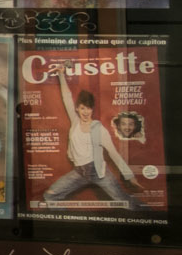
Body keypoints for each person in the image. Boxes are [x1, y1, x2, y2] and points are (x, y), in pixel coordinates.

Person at [41, 64, 145, 210]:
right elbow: (66, 97)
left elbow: (113, 153)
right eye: (82, 108)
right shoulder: (75, 121)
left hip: (98, 172)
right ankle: (66, 223)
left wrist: (129, 176)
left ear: (92, 109)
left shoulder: (98, 128)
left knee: (125, 202)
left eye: (89, 108)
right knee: (50, 195)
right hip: (79, 172)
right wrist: (61, 75)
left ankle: (152, 218)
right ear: (77, 108)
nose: (85, 112)